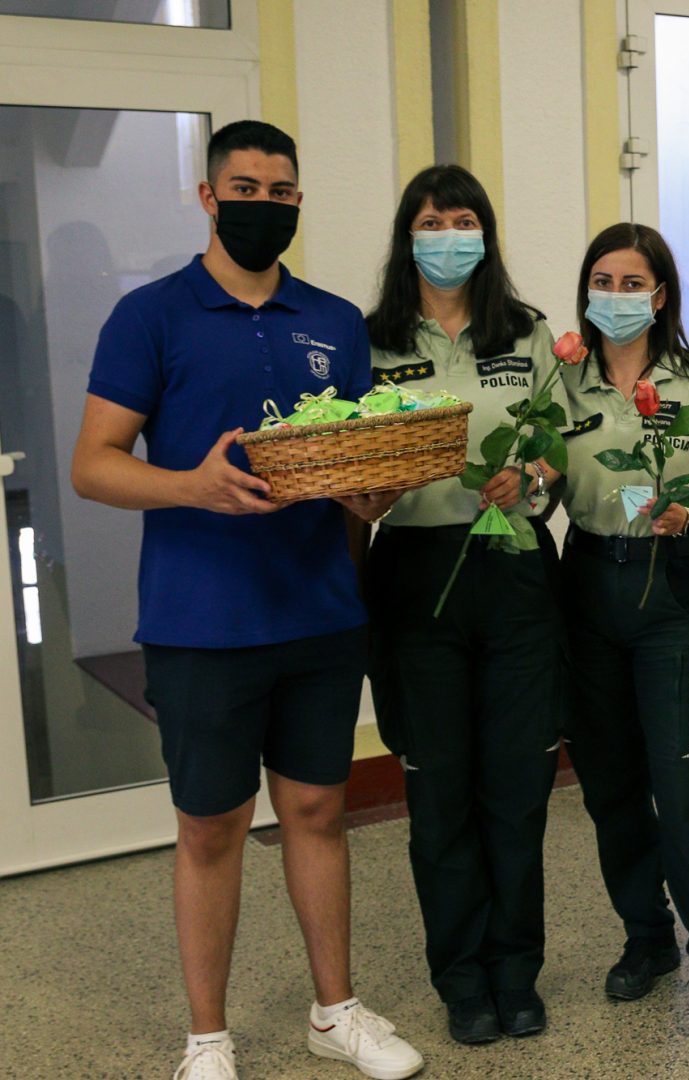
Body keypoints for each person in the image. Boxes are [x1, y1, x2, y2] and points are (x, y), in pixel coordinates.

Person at [69, 120, 422, 1080]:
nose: (264, 205)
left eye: (281, 192)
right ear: (208, 197)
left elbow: (351, 463)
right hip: (200, 621)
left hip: (319, 613)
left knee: (317, 811)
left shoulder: (334, 321)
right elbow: (93, 465)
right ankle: (208, 1038)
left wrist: (370, 496)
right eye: (246, 189)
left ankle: (334, 1012)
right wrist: (193, 486)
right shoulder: (150, 316)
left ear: (298, 201)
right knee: (212, 826)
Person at [363, 164, 566, 1046]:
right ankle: (462, 979)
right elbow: (349, 459)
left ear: (485, 234)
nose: (448, 236)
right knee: (441, 792)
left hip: (512, 566)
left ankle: (516, 971)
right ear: (407, 236)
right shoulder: (370, 339)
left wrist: (534, 478)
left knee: (517, 789)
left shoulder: (526, 331)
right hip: (417, 575)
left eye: (463, 221)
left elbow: (558, 447)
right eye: (431, 221)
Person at [555, 222, 689, 1035]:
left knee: (682, 785)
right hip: (588, 584)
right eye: (603, 281)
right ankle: (647, 937)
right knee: (610, 786)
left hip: (670, 587)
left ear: (661, 294)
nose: (617, 296)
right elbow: (545, 474)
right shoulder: (564, 380)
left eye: (633, 283)